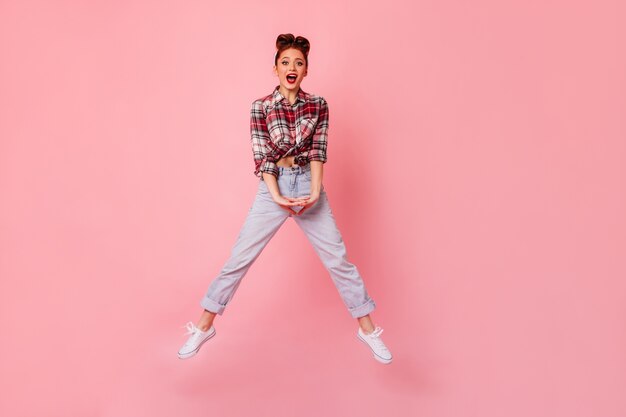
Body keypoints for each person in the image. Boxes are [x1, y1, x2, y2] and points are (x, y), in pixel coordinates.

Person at [177, 33, 392, 364]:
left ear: (306, 71)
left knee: (338, 260)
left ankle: (367, 329)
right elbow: (261, 155)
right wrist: (276, 195)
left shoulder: (318, 105)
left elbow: (319, 150)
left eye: (299, 63)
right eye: (286, 62)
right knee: (239, 258)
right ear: (275, 68)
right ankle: (204, 326)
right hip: (272, 186)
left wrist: (316, 192)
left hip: (308, 183)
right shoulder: (260, 106)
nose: (292, 67)